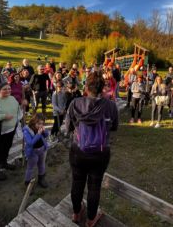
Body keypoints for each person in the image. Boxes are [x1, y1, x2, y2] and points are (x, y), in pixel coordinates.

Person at [64, 71, 118, 227]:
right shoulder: (110, 106)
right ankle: (91, 219)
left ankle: (76, 213)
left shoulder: (75, 103)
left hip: (78, 150)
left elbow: (67, 127)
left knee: (77, 181)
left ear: (86, 87)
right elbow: (114, 127)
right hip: (100, 152)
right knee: (94, 185)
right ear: (103, 89)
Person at [23, 113, 49, 188]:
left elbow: (46, 135)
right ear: (34, 121)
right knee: (30, 168)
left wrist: (44, 131)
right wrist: (38, 134)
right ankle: (27, 183)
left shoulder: (40, 128)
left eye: (42, 124)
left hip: (42, 149)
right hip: (33, 152)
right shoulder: (27, 130)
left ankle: (41, 179)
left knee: (41, 164)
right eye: (38, 123)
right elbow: (30, 143)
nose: (40, 125)